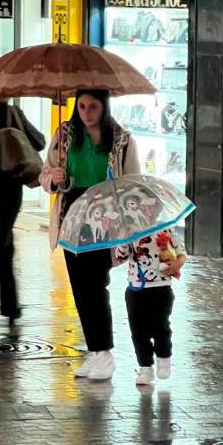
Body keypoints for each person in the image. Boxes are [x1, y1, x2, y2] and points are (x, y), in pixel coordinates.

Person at [39, 89, 139, 382]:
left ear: (103, 107)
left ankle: (104, 350)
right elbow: (45, 175)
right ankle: (96, 350)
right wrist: (54, 178)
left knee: (96, 283)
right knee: (80, 286)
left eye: (92, 107)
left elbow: (132, 183)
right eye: (81, 106)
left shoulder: (121, 141)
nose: (86, 113)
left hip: (104, 216)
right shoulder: (66, 135)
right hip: (72, 214)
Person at [0, 101, 46, 326]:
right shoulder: (10, 112)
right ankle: (8, 305)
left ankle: (7, 305)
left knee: (1, 245)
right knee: (3, 244)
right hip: (9, 187)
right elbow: (39, 141)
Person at [114, 226, 185, 385]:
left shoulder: (166, 228)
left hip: (161, 287)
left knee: (161, 326)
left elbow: (181, 252)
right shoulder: (129, 230)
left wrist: (176, 265)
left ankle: (164, 357)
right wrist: (124, 240)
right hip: (136, 288)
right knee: (138, 331)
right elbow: (120, 256)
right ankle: (145, 367)